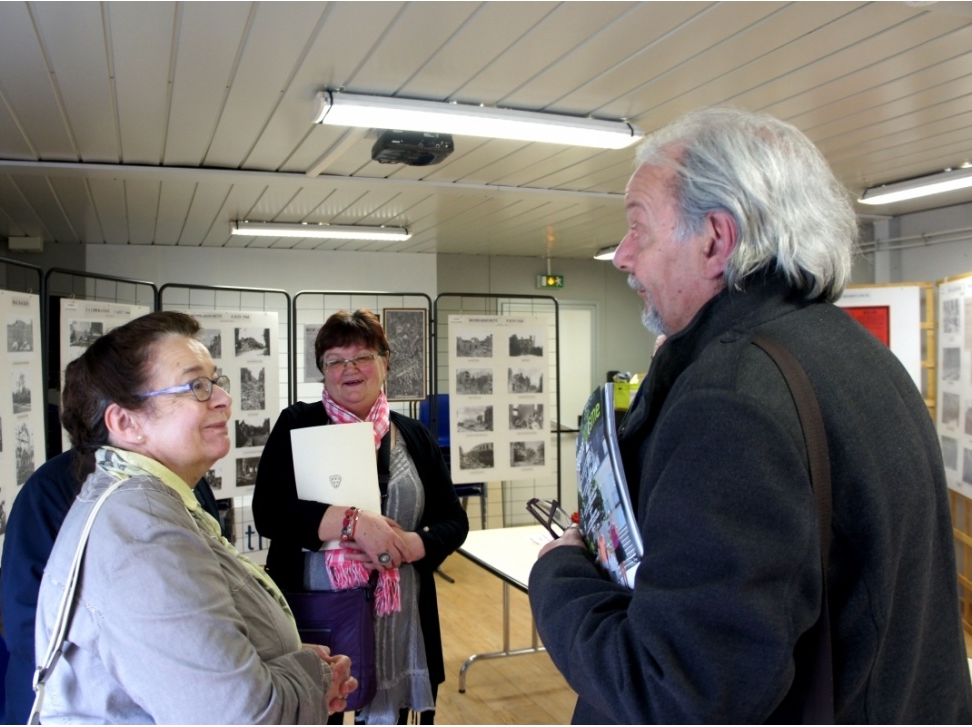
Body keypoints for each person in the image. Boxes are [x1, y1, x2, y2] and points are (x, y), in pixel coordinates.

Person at [529, 107, 972, 723]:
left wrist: (559, 574)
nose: (623, 256)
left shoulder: (733, 398)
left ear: (716, 239)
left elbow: (672, 692)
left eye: (640, 229)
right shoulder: (858, 356)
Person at [34, 311, 356, 723]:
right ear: (125, 422)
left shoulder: (147, 503)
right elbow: (240, 717)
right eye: (196, 386)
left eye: (215, 381)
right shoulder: (142, 532)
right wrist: (312, 676)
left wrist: (276, 660)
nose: (224, 398)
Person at [253, 309, 469, 724]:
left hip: (402, 621)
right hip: (319, 617)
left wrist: (412, 544)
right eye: (335, 360)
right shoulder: (297, 425)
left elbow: (452, 521)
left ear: (385, 363)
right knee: (324, 708)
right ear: (323, 372)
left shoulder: (415, 435)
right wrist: (352, 522)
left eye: (362, 357)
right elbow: (270, 513)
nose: (349, 369)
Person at [0, 447, 231, 724]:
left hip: (172, 684)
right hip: (72, 699)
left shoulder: (186, 481)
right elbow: (26, 618)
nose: (221, 406)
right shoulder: (50, 488)